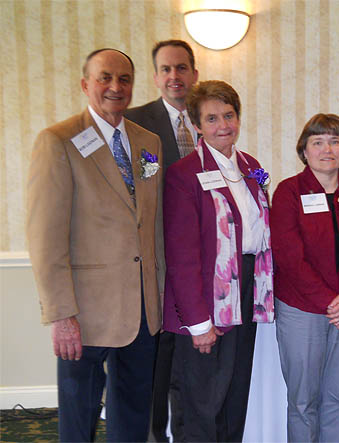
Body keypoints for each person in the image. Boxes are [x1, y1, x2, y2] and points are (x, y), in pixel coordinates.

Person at [26, 48, 164, 441]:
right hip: (83, 313)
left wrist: (160, 297)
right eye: (105, 78)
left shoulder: (148, 141)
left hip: (141, 309)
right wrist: (60, 314)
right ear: (86, 84)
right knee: (79, 416)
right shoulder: (58, 141)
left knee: (134, 413)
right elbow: (45, 236)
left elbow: (151, 225)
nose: (115, 87)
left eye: (124, 79)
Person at [162, 80, 274, 442]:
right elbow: (182, 257)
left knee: (233, 394)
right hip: (206, 299)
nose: (223, 125)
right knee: (200, 401)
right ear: (196, 125)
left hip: (245, 291)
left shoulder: (250, 166)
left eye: (229, 115)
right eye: (211, 119)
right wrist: (198, 323)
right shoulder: (184, 175)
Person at [270, 113, 339, 442]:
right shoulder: (289, 192)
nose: (327, 149)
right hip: (302, 309)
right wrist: (329, 301)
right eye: (317, 142)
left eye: (334, 141)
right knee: (303, 401)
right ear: (304, 150)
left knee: (337, 399)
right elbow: (290, 256)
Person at [125, 38, 199, 442]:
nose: (175, 77)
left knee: (188, 364)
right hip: (153, 264)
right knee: (154, 364)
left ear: (194, 74)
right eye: (167, 69)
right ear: (155, 77)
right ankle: (154, 436)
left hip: (198, 266)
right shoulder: (134, 123)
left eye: (182, 68)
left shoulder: (209, 119)